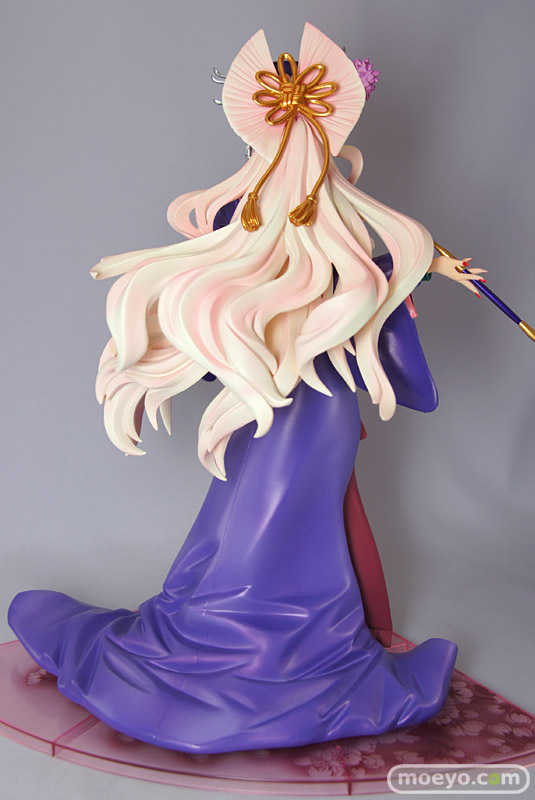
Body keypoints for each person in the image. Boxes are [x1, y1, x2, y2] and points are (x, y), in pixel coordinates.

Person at [8, 23, 487, 754]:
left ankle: (256, 643)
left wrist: (422, 266)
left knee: (271, 517)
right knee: (255, 515)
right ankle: (259, 652)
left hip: (292, 401)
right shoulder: (272, 221)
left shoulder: (300, 221)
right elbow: (349, 273)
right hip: (285, 399)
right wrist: (414, 268)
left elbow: (357, 272)